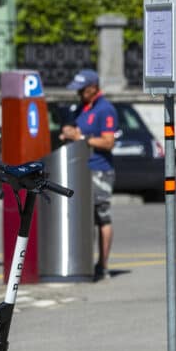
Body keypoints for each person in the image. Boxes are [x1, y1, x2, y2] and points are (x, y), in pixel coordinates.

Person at [61, 69, 118, 281]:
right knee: (84, 218)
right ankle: (84, 262)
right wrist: (68, 132)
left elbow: (108, 142)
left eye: (82, 90)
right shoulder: (83, 108)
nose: (78, 94)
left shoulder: (106, 109)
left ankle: (103, 265)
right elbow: (75, 131)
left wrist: (81, 137)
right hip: (81, 169)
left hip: (99, 170)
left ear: (93, 87)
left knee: (101, 216)